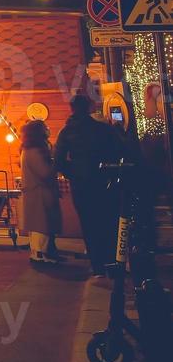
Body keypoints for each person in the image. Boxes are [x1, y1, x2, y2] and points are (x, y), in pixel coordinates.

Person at [54, 92, 127, 275]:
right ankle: (111, 262)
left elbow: (59, 161)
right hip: (103, 181)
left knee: (88, 223)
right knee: (107, 220)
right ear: (88, 108)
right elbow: (118, 151)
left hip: (81, 185)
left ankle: (97, 265)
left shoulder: (66, 132)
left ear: (72, 109)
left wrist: (74, 173)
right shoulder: (102, 129)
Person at [20, 119, 64, 264]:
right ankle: (40, 255)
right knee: (41, 225)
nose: (48, 129)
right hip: (39, 194)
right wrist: (56, 164)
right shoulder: (34, 151)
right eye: (45, 127)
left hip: (39, 193)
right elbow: (45, 172)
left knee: (43, 225)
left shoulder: (32, 149)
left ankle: (47, 252)